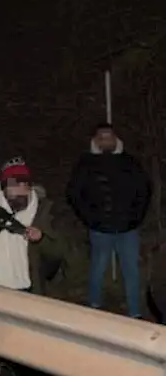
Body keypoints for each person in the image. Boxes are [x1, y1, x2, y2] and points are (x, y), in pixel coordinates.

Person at [66, 124, 151, 317]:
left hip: (128, 229)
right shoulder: (86, 163)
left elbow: (145, 189)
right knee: (98, 268)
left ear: (116, 139)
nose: (106, 140)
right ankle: (94, 307)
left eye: (109, 136)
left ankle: (135, 313)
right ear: (96, 140)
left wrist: (136, 217)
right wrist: (89, 218)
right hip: (100, 229)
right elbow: (74, 193)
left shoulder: (129, 162)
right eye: (102, 137)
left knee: (131, 272)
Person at [0, 158, 59, 294]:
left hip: (30, 290)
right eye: (14, 183)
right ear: (3, 187)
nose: (20, 188)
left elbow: (57, 254)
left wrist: (41, 239)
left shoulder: (42, 212)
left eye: (24, 183)